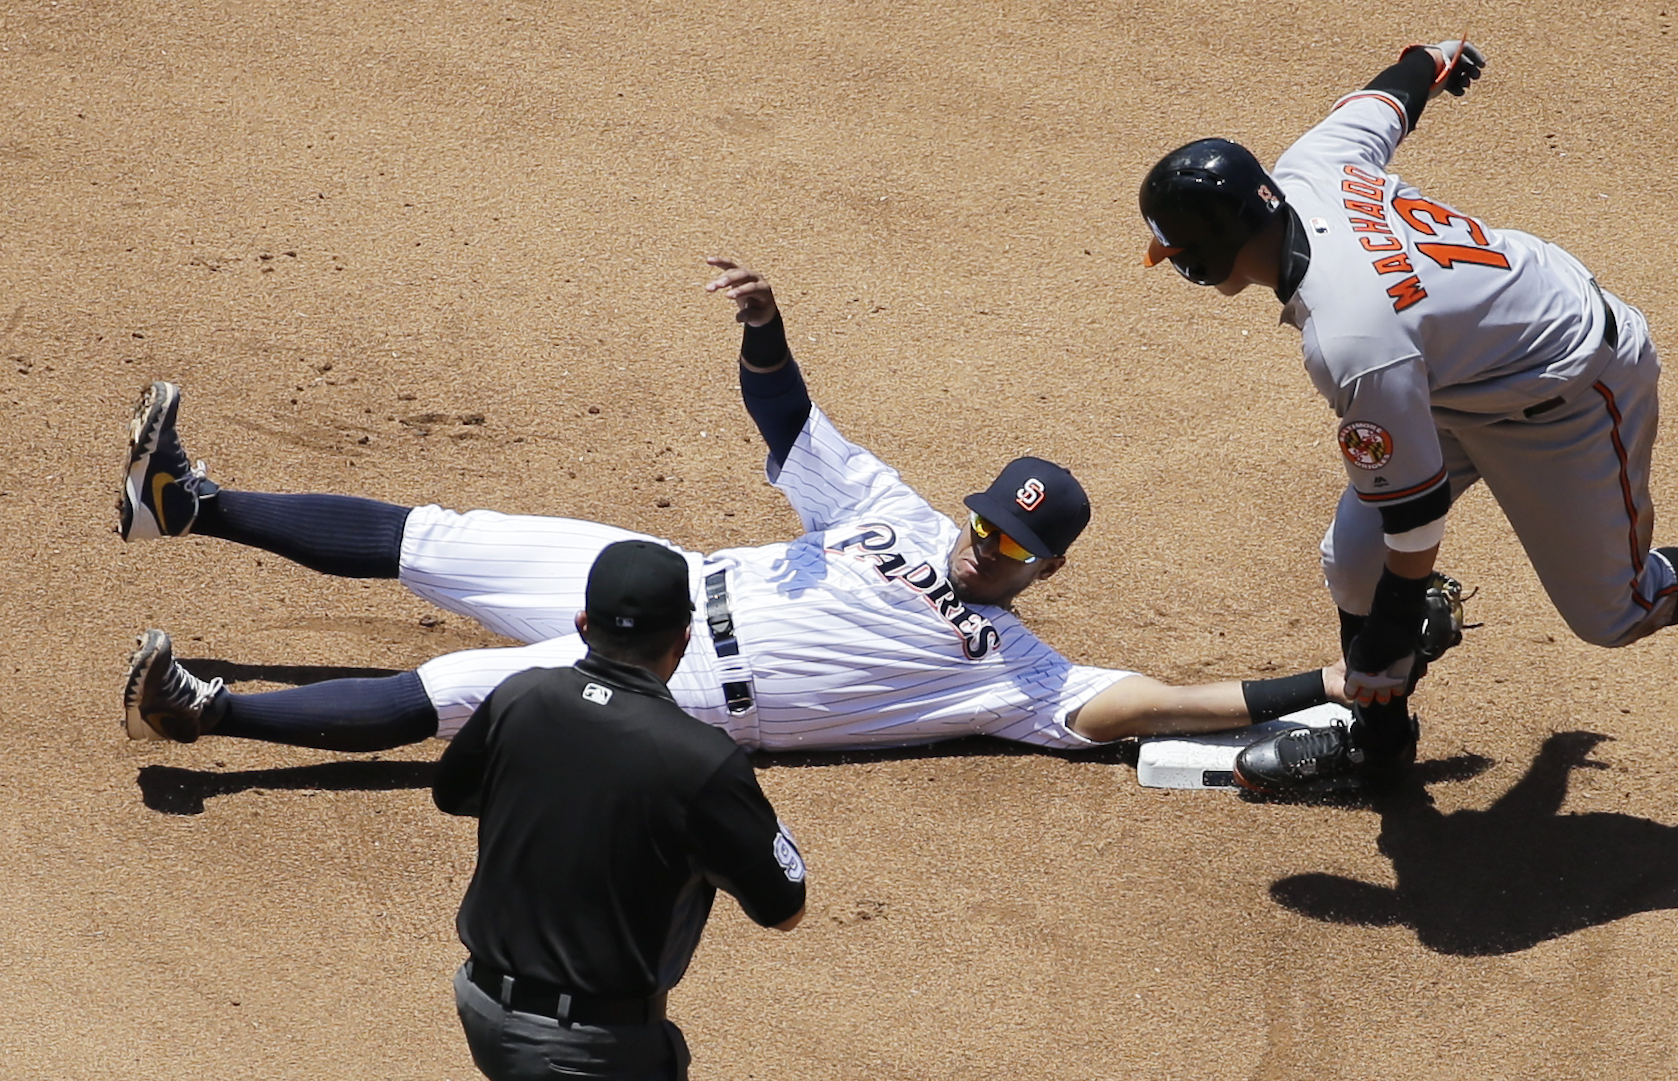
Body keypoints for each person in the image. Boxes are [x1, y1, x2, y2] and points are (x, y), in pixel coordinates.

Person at [118, 257, 1378, 759]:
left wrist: (1324, 682)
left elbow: (1150, 704)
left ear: (1044, 571)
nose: (992, 546)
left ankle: (203, 714)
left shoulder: (1011, 668)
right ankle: (188, 503)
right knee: (436, 539)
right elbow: (785, 424)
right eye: (990, 521)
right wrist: (770, 331)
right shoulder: (886, 508)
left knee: (458, 690)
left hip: (671, 691)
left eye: (1017, 546)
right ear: (976, 507)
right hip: (655, 576)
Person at [1137, 38, 1678, 791]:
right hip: (1456, 369)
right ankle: (1380, 745)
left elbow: (1416, 517)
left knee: (1614, 613)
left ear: (1203, 257)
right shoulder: (1310, 166)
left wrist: (1392, 628)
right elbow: (1387, 100)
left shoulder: (1351, 339)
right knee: (1353, 564)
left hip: (1569, 386)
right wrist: (1430, 60)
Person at [437, 536, 807, 1081]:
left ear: (583, 624)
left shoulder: (522, 697)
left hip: (485, 1014)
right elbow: (785, 907)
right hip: (596, 1060)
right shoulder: (702, 763)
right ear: (685, 638)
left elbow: (454, 793)